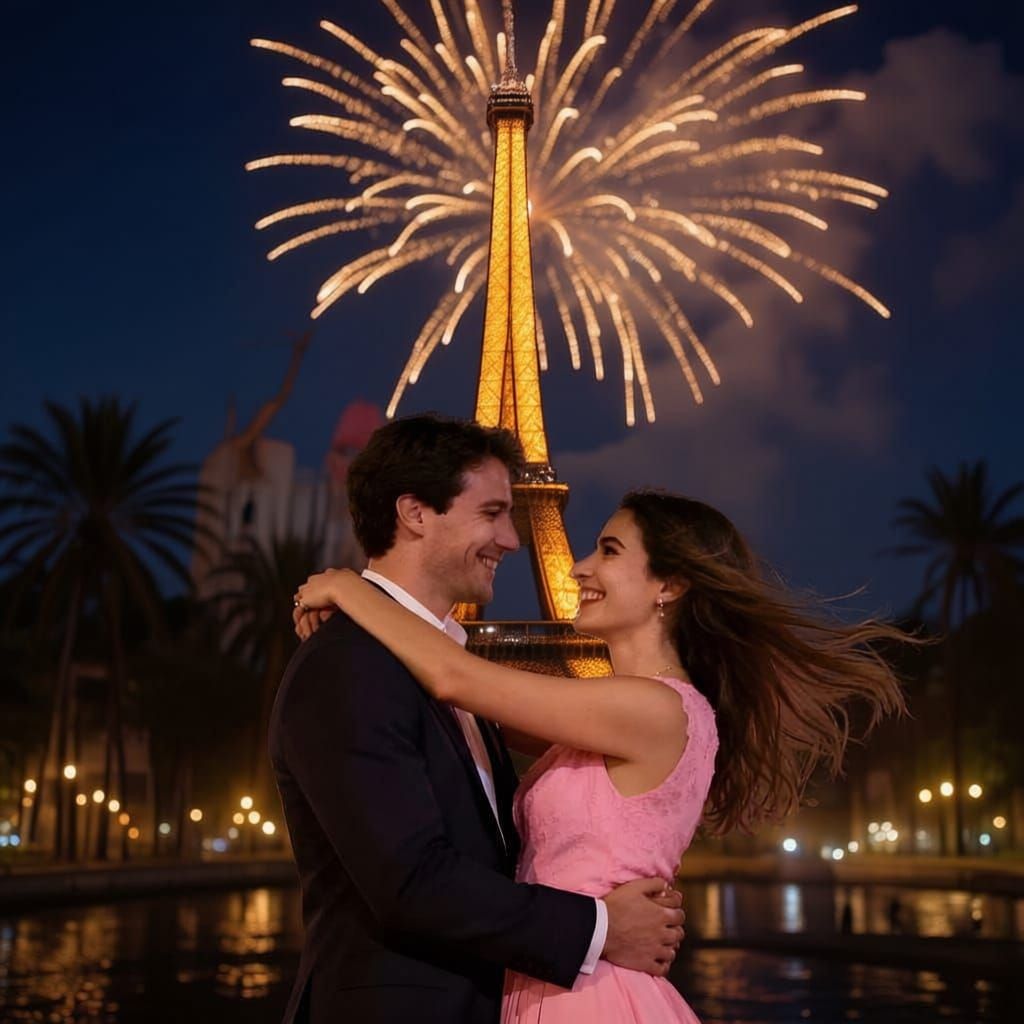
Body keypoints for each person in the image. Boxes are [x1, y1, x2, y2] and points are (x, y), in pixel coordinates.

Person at [295, 474, 908, 1023]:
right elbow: (466, 710)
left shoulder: (652, 709)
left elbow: (457, 679)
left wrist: (353, 589)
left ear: (668, 585)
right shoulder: (614, 713)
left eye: (608, 552)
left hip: (593, 995)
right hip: (561, 977)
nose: (577, 568)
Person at [270, 414, 684, 1024]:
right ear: (415, 513)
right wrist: (601, 925)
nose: (512, 540)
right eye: (491, 513)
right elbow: (409, 882)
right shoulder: (350, 663)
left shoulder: (452, 668)